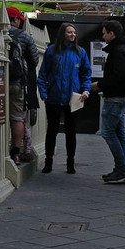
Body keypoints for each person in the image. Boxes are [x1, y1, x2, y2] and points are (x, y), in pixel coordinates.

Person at [37, 22, 91, 174]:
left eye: (74, 32)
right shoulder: (51, 51)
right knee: (52, 130)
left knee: (71, 131)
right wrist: (44, 94)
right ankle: (48, 162)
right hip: (54, 97)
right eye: (69, 32)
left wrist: (85, 90)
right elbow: (42, 74)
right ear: (63, 34)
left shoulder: (80, 52)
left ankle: (70, 162)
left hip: (72, 98)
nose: (73, 35)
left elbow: (86, 74)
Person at [91, 20, 125, 184]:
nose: (102, 36)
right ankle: (121, 168)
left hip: (116, 97)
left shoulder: (118, 51)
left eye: (104, 33)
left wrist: (99, 85)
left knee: (108, 132)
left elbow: (118, 76)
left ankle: (122, 169)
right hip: (123, 96)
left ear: (112, 34)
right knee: (119, 132)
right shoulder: (122, 49)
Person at [6, 6, 40, 165]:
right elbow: (34, 60)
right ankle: (15, 153)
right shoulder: (24, 36)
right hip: (17, 83)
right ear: (16, 19)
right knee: (17, 117)